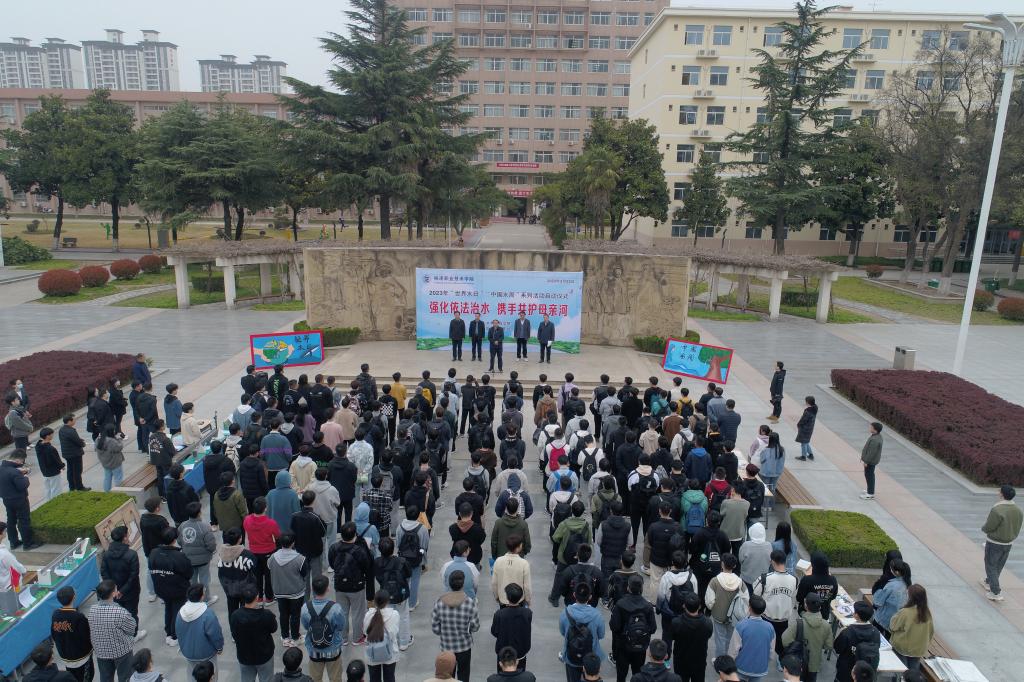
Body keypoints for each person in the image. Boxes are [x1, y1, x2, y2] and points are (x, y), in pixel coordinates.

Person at [329, 521, 375, 646]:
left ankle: (343, 638)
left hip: (339, 585)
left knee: (342, 612)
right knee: (358, 613)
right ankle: (357, 637)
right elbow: (366, 567)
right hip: (356, 586)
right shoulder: (359, 551)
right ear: (355, 535)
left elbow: (332, 564)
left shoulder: (334, 548)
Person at [431, 570, 480, 682]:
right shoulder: (469, 602)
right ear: (462, 584)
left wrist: (444, 632)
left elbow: (435, 628)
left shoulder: (439, 602)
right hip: (464, 646)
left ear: (449, 583)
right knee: (464, 674)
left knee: (448, 677)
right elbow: (476, 626)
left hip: (446, 646)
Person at [149, 526, 191, 647]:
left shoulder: (154, 553)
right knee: (177, 610)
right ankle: (174, 635)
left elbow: (151, 568)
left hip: (161, 588)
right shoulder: (179, 556)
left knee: (168, 608)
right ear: (174, 539)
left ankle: (168, 632)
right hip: (178, 589)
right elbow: (189, 573)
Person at [752, 550, 798, 663]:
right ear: (785, 561)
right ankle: (780, 662)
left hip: (766, 617)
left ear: (772, 562)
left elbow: (755, 594)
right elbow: (793, 598)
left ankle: (762, 659)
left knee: (763, 641)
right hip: (784, 619)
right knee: (781, 643)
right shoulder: (794, 580)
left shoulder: (765, 578)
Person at [609, 574, 656, 682]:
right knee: (638, 675)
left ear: (628, 588)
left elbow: (614, 627)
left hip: (622, 646)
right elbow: (653, 628)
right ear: (642, 588)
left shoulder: (620, 604)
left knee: (621, 675)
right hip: (640, 647)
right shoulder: (647, 606)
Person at [89, 579, 138, 682]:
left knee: (105, 677)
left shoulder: (92, 610)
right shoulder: (120, 612)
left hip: (101, 651)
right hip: (121, 652)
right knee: (126, 677)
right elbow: (132, 629)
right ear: (113, 593)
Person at [298, 575, 346, 681]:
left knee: (315, 678)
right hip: (333, 649)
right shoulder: (336, 608)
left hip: (314, 650)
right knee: (335, 678)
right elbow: (341, 626)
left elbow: (306, 626)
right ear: (328, 588)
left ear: (313, 589)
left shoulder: (305, 608)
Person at [982, 484, 1024, 601]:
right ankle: (989, 581)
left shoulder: (997, 509)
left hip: (995, 542)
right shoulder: (1018, 510)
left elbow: (990, 526)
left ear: (1002, 494)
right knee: (999, 564)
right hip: (1008, 543)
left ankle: (995, 592)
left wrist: (984, 529)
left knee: (990, 564)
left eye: (999, 491)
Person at [559, 582, 605, 682]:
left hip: (571, 655)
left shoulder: (565, 613)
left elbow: (563, 632)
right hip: (591, 657)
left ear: (574, 595)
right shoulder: (597, 615)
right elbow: (601, 635)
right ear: (590, 597)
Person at [781, 593, 832, 682]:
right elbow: (829, 646)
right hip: (814, 663)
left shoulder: (798, 624)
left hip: (798, 662)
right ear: (820, 607)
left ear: (805, 606)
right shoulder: (826, 625)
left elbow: (785, 640)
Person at [175, 584, 224, 676]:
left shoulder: (180, 613)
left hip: (188, 653)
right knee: (210, 675)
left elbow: (178, 632)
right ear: (202, 597)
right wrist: (219, 647)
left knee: (192, 675)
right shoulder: (208, 614)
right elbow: (215, 633)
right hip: (206, 654)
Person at [268, 533, 307, 647]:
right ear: (293, 543)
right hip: (296, 592)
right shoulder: (300, 558)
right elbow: (304, 573)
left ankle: (285, 637)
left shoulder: (273, 557)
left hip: (279, 591)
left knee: (283, 614)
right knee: (295, 615)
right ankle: (295, 638)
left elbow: (269, 567)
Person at [705, 554, 746, 658]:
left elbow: (709, 601)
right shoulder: (740, 582)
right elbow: (746, 599)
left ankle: (719, 660)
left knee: (719, 639)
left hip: (718, 616)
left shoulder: (714, 581)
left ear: (722, 564)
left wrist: (713, 608)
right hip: (734, 617)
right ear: (734, 566)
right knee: (730, 638)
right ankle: (728, 658)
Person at [100, 525, 143, 624]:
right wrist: (122, 591)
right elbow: (133, 576)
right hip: (131, 592)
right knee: (132, 615)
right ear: (124, 538)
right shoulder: (132, 554)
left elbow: (104, 573)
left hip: (114, 593)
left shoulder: (106, 555)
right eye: (127, 535)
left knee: (119, 615)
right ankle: (134, 632)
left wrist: (114, 590)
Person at [51, 586, 94, 682]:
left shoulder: (55, 614)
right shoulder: (78, 617)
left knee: (71, 678)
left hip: (65, 656)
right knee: (86, 677)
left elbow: (54, 635)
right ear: (74, 597)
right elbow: (86, 637)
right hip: (81, 657)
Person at [728, 595, 774, 681]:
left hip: (741, 667)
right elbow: (771, 650)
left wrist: (730, 663)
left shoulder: (741, 625)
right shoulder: (770, 627)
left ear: (749, 608)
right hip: (760, 668)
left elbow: (733, 649)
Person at [888, 584, 933, 672]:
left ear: (910, 597)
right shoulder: (927, 613)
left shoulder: (905, 612)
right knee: (914, 670)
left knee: (902, 670)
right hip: (919, 649)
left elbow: (893, 626)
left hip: (903, 647)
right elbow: (931, 631)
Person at [833, 601, 880, 682]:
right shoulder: (875, 632)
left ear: (857, 615)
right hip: (865, 673)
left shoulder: (847, 632)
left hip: (845, 671)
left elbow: (837, 648)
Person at [671, 591, 713, 682]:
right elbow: (708, 635)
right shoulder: (707, 623)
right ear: (700, 606)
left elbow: (673, 636)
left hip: (681, 661)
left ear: (684, 606)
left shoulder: (676, 622)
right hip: (699, 662)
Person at [0, 450, 37, 550]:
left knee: (11, 520)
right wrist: (25, 477)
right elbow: (23, 485)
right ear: (18, 460)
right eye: (22, 461)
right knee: (24, 520)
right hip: (19, 500)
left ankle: (14, 542)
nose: (21, 463)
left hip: (7, 499)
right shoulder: (14, 472)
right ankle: (28, 544)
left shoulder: (2, 468)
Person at [395, 505, 430, 610]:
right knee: (415, 580)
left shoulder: (400, 527)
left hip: (403, 559)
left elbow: (398, 544)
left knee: (404, 580)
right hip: (417, 559)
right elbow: (425, 546)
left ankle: (403, 599)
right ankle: (412, 603)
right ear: (418, 515)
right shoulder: (422, 529)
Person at [364, 589, 400, 682]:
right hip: (390, 652)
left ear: (374, 601)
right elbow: (394, 633)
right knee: (389, 678)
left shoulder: (368, 614)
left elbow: (365, 632)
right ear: (388, 601)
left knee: (374, 679)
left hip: (372, 653)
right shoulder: (394, 614)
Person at [871, 559, 910, 638]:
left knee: (874, 637)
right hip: (896, 620)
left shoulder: (891, 585)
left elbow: (877, 602)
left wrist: (878, 591)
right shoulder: (907, 584)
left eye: (891, 568)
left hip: (883, 619)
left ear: (897, 572)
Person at [795, 552, 838, 620]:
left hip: (807, 614)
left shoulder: (806, 580)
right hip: (824, 615)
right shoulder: (833, 580)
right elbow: (833, 597)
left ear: (813, 565)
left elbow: (799, 598)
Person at [492, 533, 532, 605]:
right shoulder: (524, 563)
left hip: (503, 598)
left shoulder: (498, 561)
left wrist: (497, 596)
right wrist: (528, 599)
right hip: (519, 600)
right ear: (518, 547)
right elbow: (527, 586)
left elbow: (494, 583)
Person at [213, 472, 249, 541]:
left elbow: (215, 512)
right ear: (233, 481)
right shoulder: (237, 494)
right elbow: (243, 512)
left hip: (224, 527)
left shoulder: (216, 495)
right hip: (237, 528)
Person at [58, 414, 90, 492]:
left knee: (70, 471)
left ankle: (72, 487)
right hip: (75, 454)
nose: (75, 421)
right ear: (69, 421)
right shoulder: (71, 431)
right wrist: (83, 443)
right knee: (77, 471)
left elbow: (70, 440)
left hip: (67, 454)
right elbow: (78, 442)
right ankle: (79, 487)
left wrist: (79, 440)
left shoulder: (61, 429)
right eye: (74, 420)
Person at [35, 427, 65, 501]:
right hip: (53, 471)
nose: (53, 435)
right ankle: (56, 502)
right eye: (52, 434)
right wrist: (62, 466)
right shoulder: (50, 448)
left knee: (47, 488)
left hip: (44, 471)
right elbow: (56, 459)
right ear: (48, 436)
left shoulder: (38, 446)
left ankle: (48, 501)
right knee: (56, 488)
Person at [96, 424, 126, 492]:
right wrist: (119, 439)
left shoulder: (98, 439)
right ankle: (119, 492)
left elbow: (96, 449)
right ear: (111, 431)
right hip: (115, 463)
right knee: (118, 478)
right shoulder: (111, 441)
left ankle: (107, 492)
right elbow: (119, 447)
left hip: (105, 463)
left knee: (107, 478)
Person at [860, 422, 883, 500]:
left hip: (870, 461)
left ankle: (870, 494)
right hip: (871, 460)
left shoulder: (875, 440)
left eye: (871, 427)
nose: (870, 428)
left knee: (869, 476)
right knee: (869, 475)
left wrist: (866, 461)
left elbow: (871, 452)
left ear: (875, 430)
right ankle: (869, 490)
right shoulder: (876, 436)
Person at [794, 397, 817, 462]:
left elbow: (803, 420)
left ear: (808, 402)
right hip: (810, 428)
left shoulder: (808, 412)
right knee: (806, 442)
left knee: (803, 442)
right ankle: (810, 454)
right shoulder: (814, 409)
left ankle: (803, 456)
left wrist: (799, 425)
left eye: (806, 401)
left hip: (805, 429)